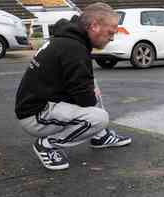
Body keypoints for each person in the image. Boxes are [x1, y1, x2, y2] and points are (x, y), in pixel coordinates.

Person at [15, 2, 131, 171]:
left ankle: (100, 136)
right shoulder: (73, 48)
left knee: (91, 84)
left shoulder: (70, 40)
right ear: (94, 26)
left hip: (45, 103)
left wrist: (90, 89)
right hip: (35, 115)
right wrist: (91, 96)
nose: (112, 38)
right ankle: (48, 145)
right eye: (110, 32)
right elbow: (85, 99)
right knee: (98, 118)